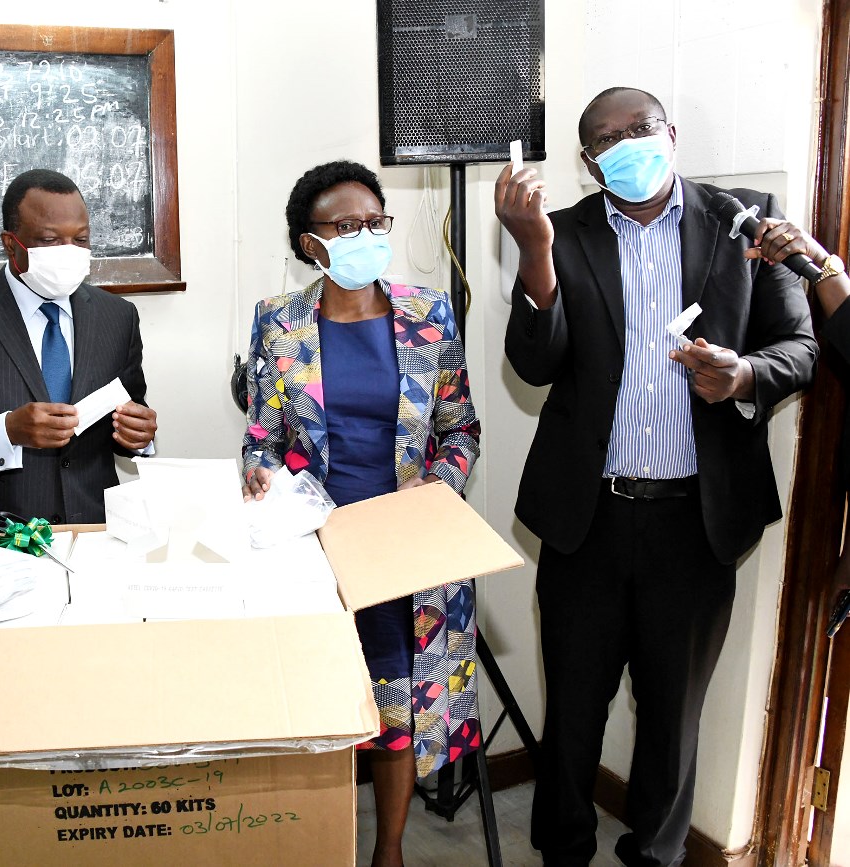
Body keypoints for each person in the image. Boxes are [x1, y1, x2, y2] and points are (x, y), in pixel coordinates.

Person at [495, 86, 818, 866]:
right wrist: (532, 250)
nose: (626, 145)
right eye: (605, 140)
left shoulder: (742, 221)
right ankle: (564, 848)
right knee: (573, 710)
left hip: (696, 521)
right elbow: (532, 365)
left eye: (639, 129)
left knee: (674, 715)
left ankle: (657, 855)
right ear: (587, 162)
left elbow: (800, 346)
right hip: (587, 519)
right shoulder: (560, 233)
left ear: (670, 133)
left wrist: (743, 375)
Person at [242, 160, 482, 867]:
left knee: (398, 708)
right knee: (320, 698)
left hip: (404, 548)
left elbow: (461, 429)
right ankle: (315, 841)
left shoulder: (428, 313)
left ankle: (389, 850)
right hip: (315, 548)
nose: (366, 235)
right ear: (309, 242)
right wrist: (260, 474)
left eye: (375, 222)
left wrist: (433, 485)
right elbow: (264, 438)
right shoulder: (278, 324)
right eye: (347, 225)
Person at [0, 168, 156, 535]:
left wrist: (141, 437)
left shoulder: (117, 317)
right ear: (11, 244)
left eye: (81, 239)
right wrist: (6, 431)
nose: (69, 252)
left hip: (98, 537)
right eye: (50, 240)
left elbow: (129, 418)